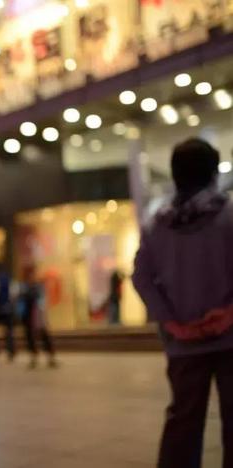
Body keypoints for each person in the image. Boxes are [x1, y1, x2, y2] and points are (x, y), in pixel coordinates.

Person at [133, 138, 233, 468]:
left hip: (183, 341)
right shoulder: (229, 215)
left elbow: (142, 277)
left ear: (175, 175)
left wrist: (170, 321)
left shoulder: (157, 224)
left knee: (183, 424)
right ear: (213, 173)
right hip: (230, 338)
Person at [17, 265, 57, 369]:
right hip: (27, 315)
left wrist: (42, 310)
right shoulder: (23, 287)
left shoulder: (38, 286)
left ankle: (50, 356)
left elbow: (42, 300)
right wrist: (20, 313)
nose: (32, 276)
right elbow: (20, 301)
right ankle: (33, 356)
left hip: (38, 314)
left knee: (44, 335)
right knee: (29, 336)